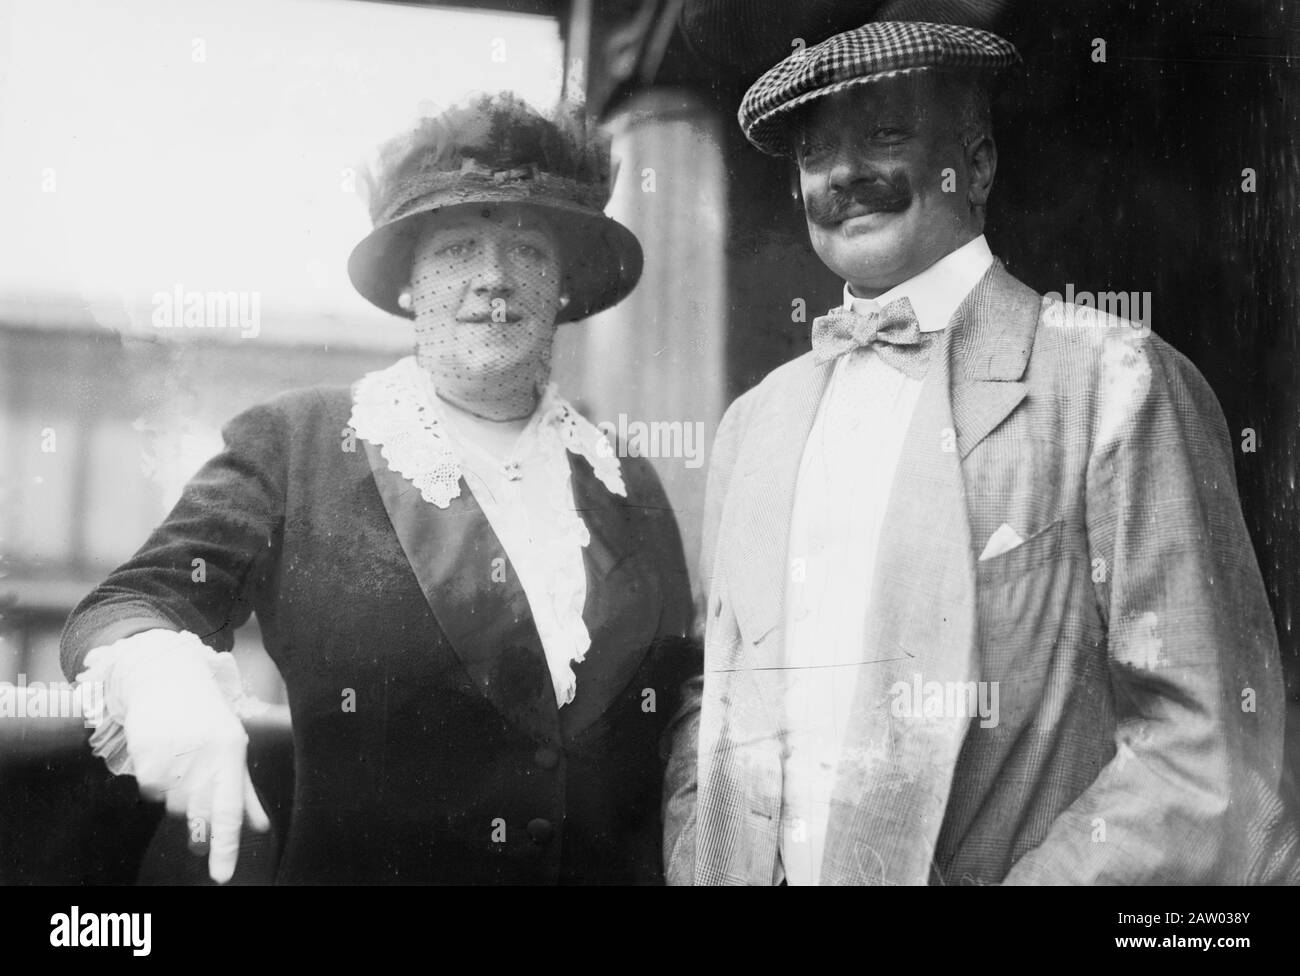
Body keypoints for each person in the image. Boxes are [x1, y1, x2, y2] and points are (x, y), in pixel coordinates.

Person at [662, 20, 1297, 885]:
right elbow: (714, 703)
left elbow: (1208, 753)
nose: (845, 174)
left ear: (979, 161)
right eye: (815, 153)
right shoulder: (752, 425)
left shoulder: (1115, 378)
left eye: (886, 133)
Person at [61, 92, 697, 885]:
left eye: (529, 251)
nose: (494, 281)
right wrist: (163, 683)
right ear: (407, 287)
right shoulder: (300, 444)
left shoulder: (627, 480)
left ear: (565, 286)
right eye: (458, 249)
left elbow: (680, 717)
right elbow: (131, 604)